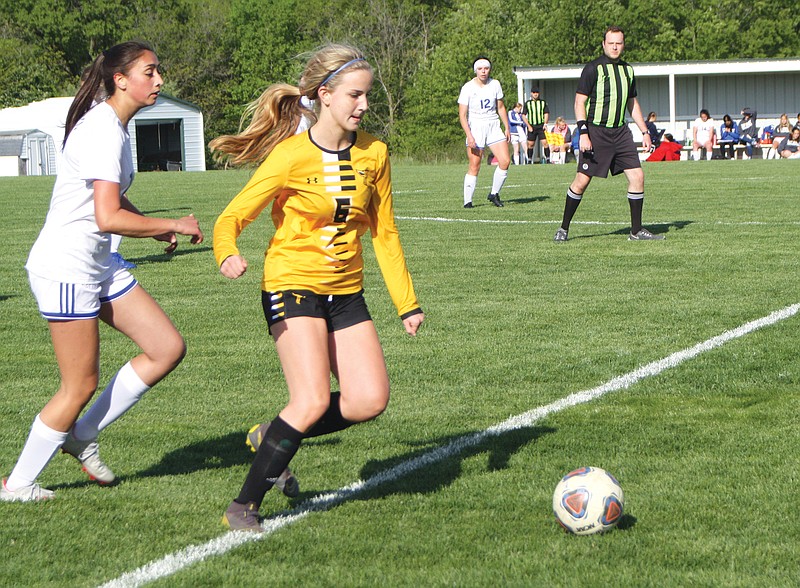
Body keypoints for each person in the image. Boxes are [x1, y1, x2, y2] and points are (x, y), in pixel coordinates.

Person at [209, 44, 425, 532]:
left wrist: (406, 304)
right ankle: (244, 506)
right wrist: (227, 252)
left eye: (367, 95)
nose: (363, 105)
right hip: (292, 283)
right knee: (308, 400)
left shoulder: (376, 153)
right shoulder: (289, 156)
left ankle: (274, 434)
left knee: (367, 400)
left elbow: (385, 233)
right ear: (324, 95)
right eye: (354, 94)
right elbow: (231, 217)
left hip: (347, 292)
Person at [1, 42, 204, 503]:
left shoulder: (115, 126)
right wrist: (169, 223)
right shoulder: (103, 130)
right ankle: (16, 485)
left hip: (98, 264)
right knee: (79, 385)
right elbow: (107, 217)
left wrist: (150, 228)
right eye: (150, 72)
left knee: (166, 347)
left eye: (159, 71)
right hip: (67, 268)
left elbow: (109, 201)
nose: (159, 80)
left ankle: (82, 433)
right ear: (121, 79)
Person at [554, 26, 664, 243]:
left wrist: (645, 131)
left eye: (619, 43)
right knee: (581, 181)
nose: (615, 47)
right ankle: (563, 228)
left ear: (623, 45)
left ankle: (636, 231)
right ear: (604, 44)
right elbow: (579, 102)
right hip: (595, 132)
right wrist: (583, 132)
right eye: (611, 43)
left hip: (621, 132)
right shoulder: (593, 68)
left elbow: (632, 103)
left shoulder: (628, 71)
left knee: (637, 177)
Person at [458, 57, 510, 208]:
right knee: (475, 164)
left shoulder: (495, 84)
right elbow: (462, 115)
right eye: (480, 69)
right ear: (476, 70)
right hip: (476, 126)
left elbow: (500, 107)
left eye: (486, 68)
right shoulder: (468, 87)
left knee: (505, 161)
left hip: (493, 125)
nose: (483, 71)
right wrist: (469, 135)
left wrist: (507, 127)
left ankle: (494, 193)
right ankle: (468, 201)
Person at [524, 87, 550, 164]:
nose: (535, 94)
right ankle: (529, 159)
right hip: (532, 125)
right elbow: (523, 115)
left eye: (537, 92)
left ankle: (548, 159)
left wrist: (545, 124)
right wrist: (528, 126)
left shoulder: (543, 102)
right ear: (531, 93)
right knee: (531, 144)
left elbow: (546, 113)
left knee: (545, 142)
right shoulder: (528, 103)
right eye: (534, 92)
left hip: (541, 125)